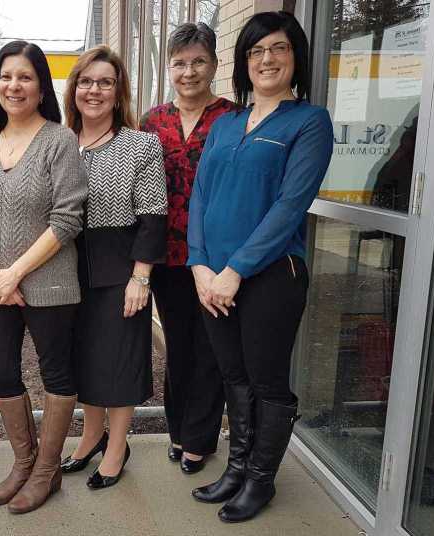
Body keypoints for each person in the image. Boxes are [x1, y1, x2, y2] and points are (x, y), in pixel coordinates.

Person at [186, 12, 333, 523]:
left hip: (271, 276)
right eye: (256, 51)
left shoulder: (309, 122)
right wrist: (201, 266)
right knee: (233, 376)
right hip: (214, 278)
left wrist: (236, 270)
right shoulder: (225, 123)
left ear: (296, 60)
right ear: (244, 63)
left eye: (278, 49)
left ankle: (260, 480)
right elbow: (200, 198)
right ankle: (237, 468)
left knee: (267, 381)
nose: (267, 60)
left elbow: (290, 207)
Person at [0, 41, 87, 514]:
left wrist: (15, 272)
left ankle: (47, 472)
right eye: (7, 76)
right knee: (1, 373)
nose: (15, 85)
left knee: (56, 373)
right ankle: (23, 460)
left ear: (41, 86)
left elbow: (68, 218)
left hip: (50, 284)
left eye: (26, 77)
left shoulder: (59, 140)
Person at [58, 45, 167, 489]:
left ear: (118, 90)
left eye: (105, 82)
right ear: (74, 89)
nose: (94, 90)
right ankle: (90, 436)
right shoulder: (60, 141)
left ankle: (118, 448)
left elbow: (154, 216)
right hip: (66, 270)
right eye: (86, 81)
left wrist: (140, 277)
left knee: (119, 362)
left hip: (120, 268)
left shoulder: (140, 145)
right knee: (83, 361)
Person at [139, 22, 233, 473]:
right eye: (179, 63)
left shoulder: (233, 119)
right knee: (177, 347)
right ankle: (178, 432)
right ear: (169, 67)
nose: (189, 71)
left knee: (210, 348)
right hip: (166, 256)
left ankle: (200, 439)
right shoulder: (151, 121)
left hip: (217, 258)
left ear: (214, 64)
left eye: (198, 61)